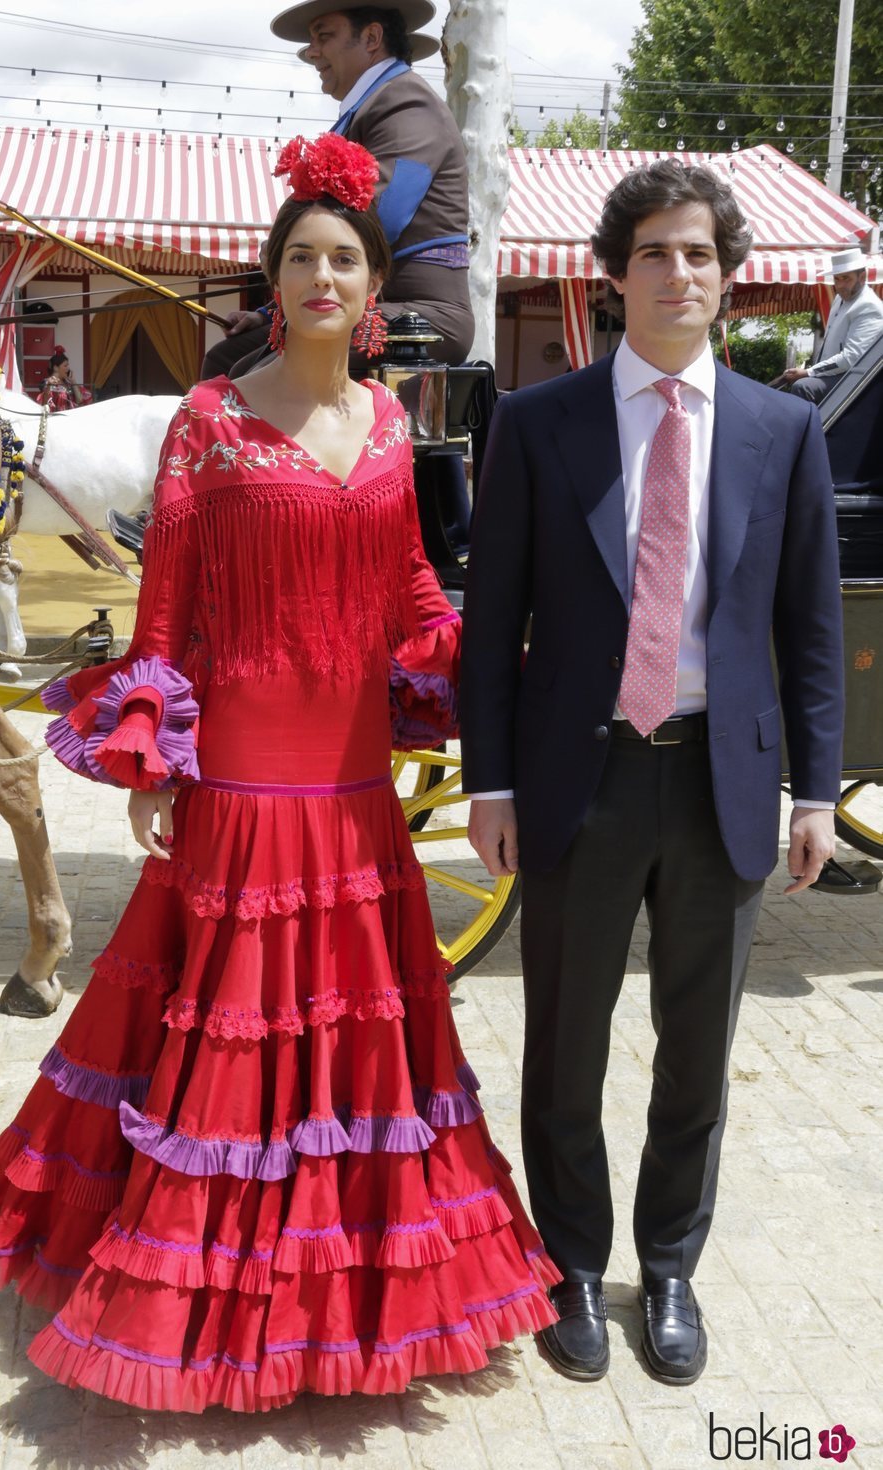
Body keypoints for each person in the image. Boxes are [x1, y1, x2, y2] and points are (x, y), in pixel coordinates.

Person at [0, 134, 557, 1413]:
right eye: (299, 260)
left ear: (369, 288)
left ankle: (339, 1299)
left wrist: (469, 638)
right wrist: (152, 757)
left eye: (342, 259)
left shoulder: (391, 421)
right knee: (216, 1037)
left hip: (351, 793)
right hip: (238, 782)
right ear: (268, 286)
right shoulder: (208, 424)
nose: (320, 277)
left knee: (354, 1050)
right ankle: (194, 1297)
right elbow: (164, 609)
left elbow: (402, 585)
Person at [460, 159, 844, 1387]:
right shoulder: (537, 423)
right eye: (654, 254)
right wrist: (490, 782)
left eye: (699, 255)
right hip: (580, 781)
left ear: (727, 279)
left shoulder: (782, 432)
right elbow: (492, 620)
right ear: (612, 276)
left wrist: (813, 791)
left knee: (695, 1050)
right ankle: (570, 1263)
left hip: (722, 785)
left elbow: (809, 628)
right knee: (565, 1042)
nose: (678, 274)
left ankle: (667, 1265)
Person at [202, 1, 473, 378]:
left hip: (422, 313)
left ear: (372, 37)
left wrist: (285, 252)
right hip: (368, 303)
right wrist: (269, 313)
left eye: (324, 36)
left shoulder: (407, 102)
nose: (312, 52)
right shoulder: (372, 105)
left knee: (248, 373)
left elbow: (383, 213)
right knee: (227, 358)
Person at [784, 246, 883, 403]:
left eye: (846, 278)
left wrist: (808, 372)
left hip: (852, 379)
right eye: (837, 279)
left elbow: (851, 358)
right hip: (834, 375)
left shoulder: (869, 306)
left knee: (802, 387)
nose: (840, 285)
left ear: (862, 277)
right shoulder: (839, 299)